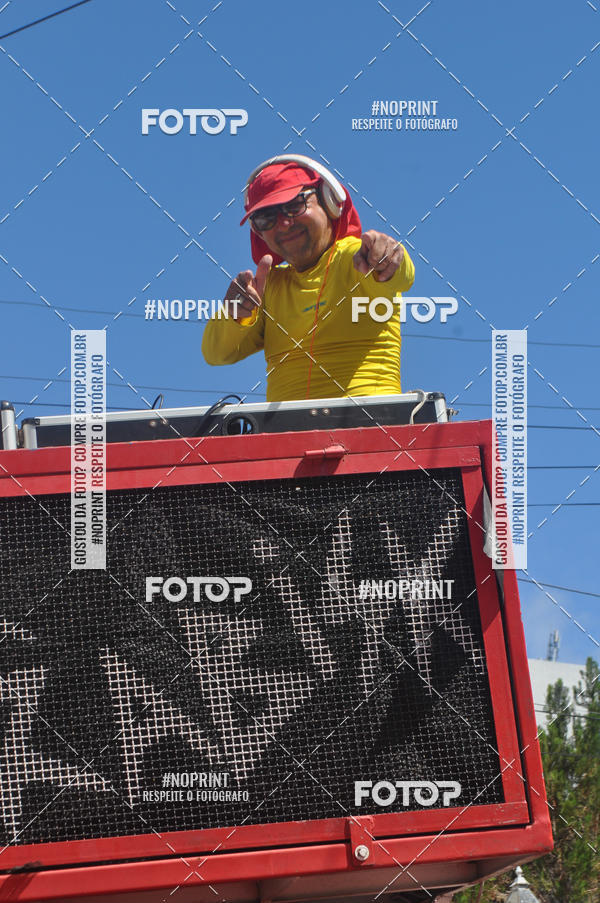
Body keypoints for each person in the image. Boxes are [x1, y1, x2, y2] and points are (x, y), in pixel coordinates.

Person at [202, 154, 415, 402]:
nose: (283, 223)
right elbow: (216, 353)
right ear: (257, 231)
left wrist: (390, 256)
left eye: (294, 205)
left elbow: (400, 276)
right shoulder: (266, 288)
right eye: (265, 218)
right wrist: (235, 314)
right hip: (288, 437)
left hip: (370, 431)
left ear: (329, 200)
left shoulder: (355, 258)